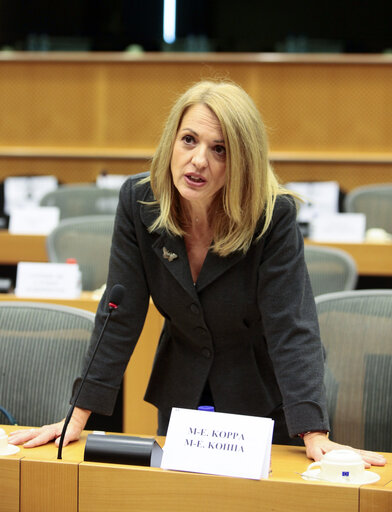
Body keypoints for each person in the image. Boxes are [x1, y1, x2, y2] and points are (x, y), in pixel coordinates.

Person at [9, 80, 386, 467]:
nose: (198, 160)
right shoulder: (140, 203)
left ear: (242, 160)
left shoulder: (272, 217)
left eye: (219, 149)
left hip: (260, 396)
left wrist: (313, 431)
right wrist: (79, 412)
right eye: (189, 140)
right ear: (172, 141)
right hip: (182, 394)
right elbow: (119, 312)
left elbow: (291, 324)